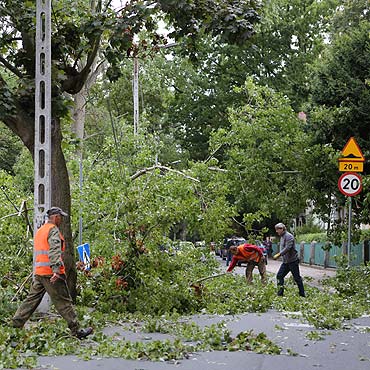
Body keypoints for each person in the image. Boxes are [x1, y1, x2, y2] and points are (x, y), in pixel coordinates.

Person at [12, 207, 93, 339]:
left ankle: (15, 324)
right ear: (55, 217)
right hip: (51, 274)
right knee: (64, 302)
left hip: (39, 273)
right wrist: (56, 270)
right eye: (60, 217)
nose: (61, 220)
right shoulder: (53, 230)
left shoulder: (40, 231)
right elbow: (54, 251)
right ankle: (76, 330)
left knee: (31, 300)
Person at [273, 223, 305, 297]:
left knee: (297, 278)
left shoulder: (289, 236)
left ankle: (302, 295)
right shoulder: (282, 237)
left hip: (293, 261)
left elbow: (288, 248)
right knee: (279, 276)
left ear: (282, 229)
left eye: (277, 230)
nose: (276, 232)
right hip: (285, 262)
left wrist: (279, 254)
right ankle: (280, 294)